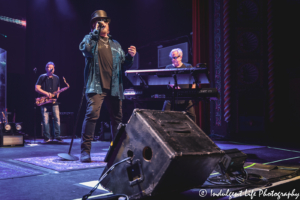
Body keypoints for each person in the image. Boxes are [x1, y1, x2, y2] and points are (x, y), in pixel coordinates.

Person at [79, 10, 136, 162]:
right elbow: (86, 50)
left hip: (114, 87)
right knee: (92, 115)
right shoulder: (90, 39)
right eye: (99, 22)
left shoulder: (115, 44)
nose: (103, 25)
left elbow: (123, 66)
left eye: (105, 23)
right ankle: (85, 151)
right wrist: (95, 33)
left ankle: (116, 151)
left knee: (117, 119)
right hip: (96, 86)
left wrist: (130, 57)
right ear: (93, 25)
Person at [162, 48, 196, 122]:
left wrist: (192, 92)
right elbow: (167, 81)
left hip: (186, 98)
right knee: (163, 116)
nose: (173, 60)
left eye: (175, 57)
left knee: (192, 117)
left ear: (180, 57)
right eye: (172, 58)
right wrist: (174, 86)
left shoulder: (188, 67)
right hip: (171, 98)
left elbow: (194, 80)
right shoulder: (168, 67)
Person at [35, 62, 63, 142]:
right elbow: (37, 88)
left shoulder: (57, 77)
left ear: (54, 69)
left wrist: (57, 94)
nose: (50, 69)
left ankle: (57, 136)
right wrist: (47, 93)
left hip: (54, 101)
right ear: (46, 68)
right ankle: (47, 137)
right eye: (48, 67)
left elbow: (58, 87)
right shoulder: (42, 77)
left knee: (57, 118)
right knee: (45, 119)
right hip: (44, 101)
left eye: (52, 67)